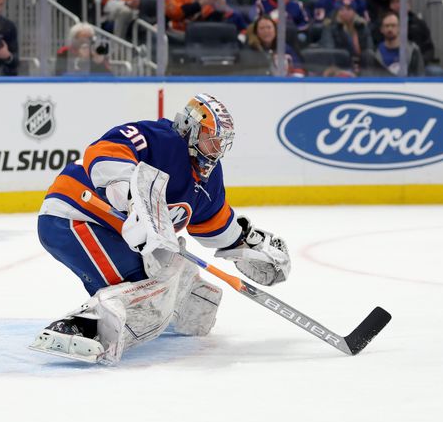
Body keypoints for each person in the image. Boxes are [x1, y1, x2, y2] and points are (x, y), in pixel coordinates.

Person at [31, 93, 292, 364]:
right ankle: (82, 327)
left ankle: (172, 307)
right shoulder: (159, 138)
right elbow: (106, 151)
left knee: (173, 272)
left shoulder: (209, 178)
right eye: (210, 139)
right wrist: (132, 201)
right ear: (190, 128)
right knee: (143, 288)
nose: (215, 149)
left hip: (120, 235)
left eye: (220, 143)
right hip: (74, 216)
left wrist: (248, 245)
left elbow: (214, 224)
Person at [373, 12, 424, 76]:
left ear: (399, 28)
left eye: (393, 25)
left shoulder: (413, 51)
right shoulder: (375, 52)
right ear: (381, 29)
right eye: (387, 26)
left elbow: (419, 78)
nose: (390, 29)